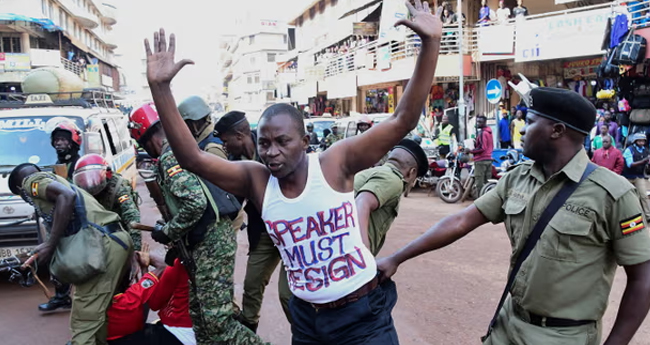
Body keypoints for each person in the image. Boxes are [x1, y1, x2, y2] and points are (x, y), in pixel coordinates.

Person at [143, 1, 442, 342]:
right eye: (264, 143)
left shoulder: (334, 164)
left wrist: (430, 44)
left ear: (303, 141)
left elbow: (402, 119)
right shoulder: (256, 180)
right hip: (307, 322)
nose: (272, 152)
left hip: (361, 317)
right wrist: (161, 89)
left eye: (282, 141)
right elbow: (193, 160)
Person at [378, 87, 650, 345]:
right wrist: (397, 258)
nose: (521, 130)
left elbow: (643, 279)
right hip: (507, 325)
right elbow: (461, 221)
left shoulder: (614, 194)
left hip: (563, 337)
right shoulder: (518, 178)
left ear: (557, 130)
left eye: (530, 121)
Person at [129, 104, 266, 344]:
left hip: (211, 244)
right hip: (205, 243)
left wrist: (168, 230)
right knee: (201, 319)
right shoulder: (178, 149)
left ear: (145, 138)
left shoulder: (170, 155)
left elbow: (195, 203)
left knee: (217, 322)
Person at [9, 163, 133, 345]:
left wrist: (50, 244)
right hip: (114, 243)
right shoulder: (61, 182)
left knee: (83, 323)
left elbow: (66, 197)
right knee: (98, 318)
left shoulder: (31, 182)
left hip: (102, 248)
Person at [214, 111, 292, 332]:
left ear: (240, 135)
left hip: (292, 231)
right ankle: (249, 333)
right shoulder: (235, 162)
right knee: (251, 285)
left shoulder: (272, 149)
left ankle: (305, 334)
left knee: (289, 295)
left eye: (226, 140)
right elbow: (232, 202)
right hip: (265, 233)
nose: (224, 146)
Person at [107, 243, 195, 345]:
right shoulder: (209, 260)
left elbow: (153, 303)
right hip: (193, 329)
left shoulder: (177, 263)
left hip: (176, 331)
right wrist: (146, 267)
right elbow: (144, 296)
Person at [178, 96, 244, 232]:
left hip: (225, 218)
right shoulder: (203, 142)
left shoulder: (211, 148)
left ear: (194, 124)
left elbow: (224, 189)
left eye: (186, 124)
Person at [355, 139, 428, 255]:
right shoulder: (393, 179)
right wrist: (362, 254)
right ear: (412, 172)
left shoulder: (375, 171)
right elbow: (362, 202)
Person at [73, 154, 142, 250]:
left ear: (107, 174)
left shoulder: (119, 187)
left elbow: (131, 217)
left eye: (93, 178)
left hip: (120, 228)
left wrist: (135, 250)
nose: (90, 186)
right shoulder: (81, 192)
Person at [623, 133, 650, 219]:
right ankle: (626, 215)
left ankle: (648, 215)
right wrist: (644, 161)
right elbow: (630, 164)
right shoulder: (629, 150)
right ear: (635, 141)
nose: (641, 142)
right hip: (628, 176)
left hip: (639, 176)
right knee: (626, 196)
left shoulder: (646, 150)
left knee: (644, 196)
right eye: (639, 140)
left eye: (643, 141)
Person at [470, 115, 494, 195]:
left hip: (481, 160)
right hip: (488, 159)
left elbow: (482, 148)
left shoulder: (483, 133)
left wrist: (471, 151)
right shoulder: (489, 132)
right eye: (477, 121)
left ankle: (480, 201)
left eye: (480, 122)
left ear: (484, 122)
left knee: (479, 183)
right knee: (487, 182)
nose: (478, 123)